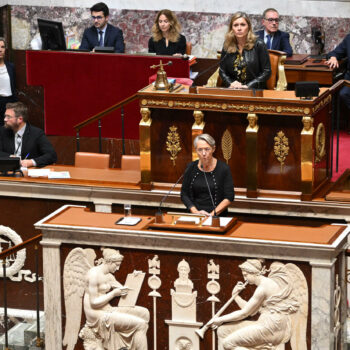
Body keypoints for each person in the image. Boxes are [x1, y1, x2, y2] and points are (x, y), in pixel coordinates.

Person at [209, 259, 304, 349]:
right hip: (267, 324)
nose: (244, 278)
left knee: (228, 343)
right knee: (222, 331)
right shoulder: (267, 283)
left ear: (253, 272)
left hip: (271, 327)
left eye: (246, 275)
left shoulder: (263, 288)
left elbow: (244, 313)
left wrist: (220, 319)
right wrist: (236, 297)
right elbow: (252, 312)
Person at [83, 248, 149, 349]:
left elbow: (123, 290)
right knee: (141, 325)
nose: (118, 268)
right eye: (116, 265)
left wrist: (134, 277)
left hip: (107, 310)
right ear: (109, 262)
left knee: (145, 313)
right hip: (97, 316)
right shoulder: (93, 275)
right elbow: (94, 302)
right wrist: (113, 294)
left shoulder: (108, 276)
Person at [181, 134, 234, 216]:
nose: (204, 153)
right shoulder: (190, 167)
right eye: (200, 150)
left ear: (213, 149)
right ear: (195, 150)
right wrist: (195, 212)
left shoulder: (223, 168)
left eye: (207, 149)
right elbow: (184, 194)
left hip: (217, 217)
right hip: (195, 216)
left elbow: (229, 196)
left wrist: (212, 215)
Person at [219, 12, 271, 90]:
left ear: (248, 27)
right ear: (232, 29)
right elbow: (222, 71)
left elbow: (267, 71)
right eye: (235, 25)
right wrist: (231, 83)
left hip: (254, 90)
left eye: (243, 25)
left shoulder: (259, 44)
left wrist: (249, 86)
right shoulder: (227, 45)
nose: (239, 28)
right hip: (233, 89)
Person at [0, 102, 57, 168]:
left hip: (30, 173)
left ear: (20, 119)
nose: (5, 119)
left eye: (8, 117)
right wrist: (12, 157)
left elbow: (51, 155)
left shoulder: (37, 133)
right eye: (5, 116)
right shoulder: (2, 131)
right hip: (7, 172)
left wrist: (31, 162)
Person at [326, 34, 350, 112]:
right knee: (343, 93)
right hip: (349, 80)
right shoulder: (349, 38)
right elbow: (335, 53)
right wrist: (333, 57)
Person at [0, 37, 17, 126]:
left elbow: (14, 85)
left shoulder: (11, 66)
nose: (0, 50)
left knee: (9, 128)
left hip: (9, 102)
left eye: (2, 47)